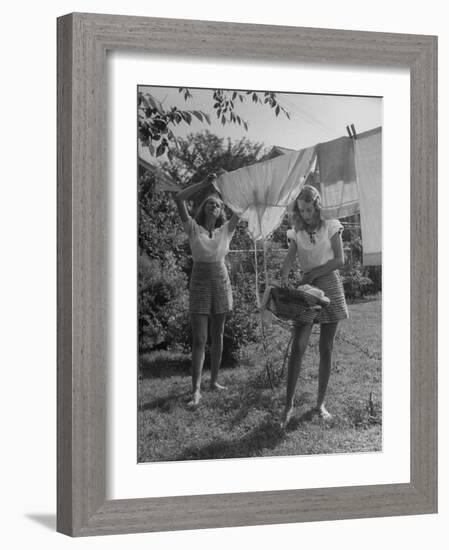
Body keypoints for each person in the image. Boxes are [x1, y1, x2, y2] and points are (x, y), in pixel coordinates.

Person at [279, 185, 348, 427]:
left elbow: (339, 259)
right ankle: (287, 406)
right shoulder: (297, 230)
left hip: (328, 283)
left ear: (317, 205)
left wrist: (314, 273)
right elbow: (289, 258)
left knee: (326, 348)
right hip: (306, 289)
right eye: (301, 210)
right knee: (298, 346)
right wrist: (284, 276)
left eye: (309, 209)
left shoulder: (331, 224)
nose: (306, 214)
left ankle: (320, 404)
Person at [175, 177, 240, 407]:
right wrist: (205, 184)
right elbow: (179, 197)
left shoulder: (225, 230)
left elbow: (241, 207)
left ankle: (213, 382)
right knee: (200, 338)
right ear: (204, 208)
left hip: (220, 280)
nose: (215, 206)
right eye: (211, 203)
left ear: (222, 210)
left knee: (218, 334)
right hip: (200, 281)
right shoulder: (192, 228)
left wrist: (226, 185)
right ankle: (196, 390)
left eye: (219, 204)